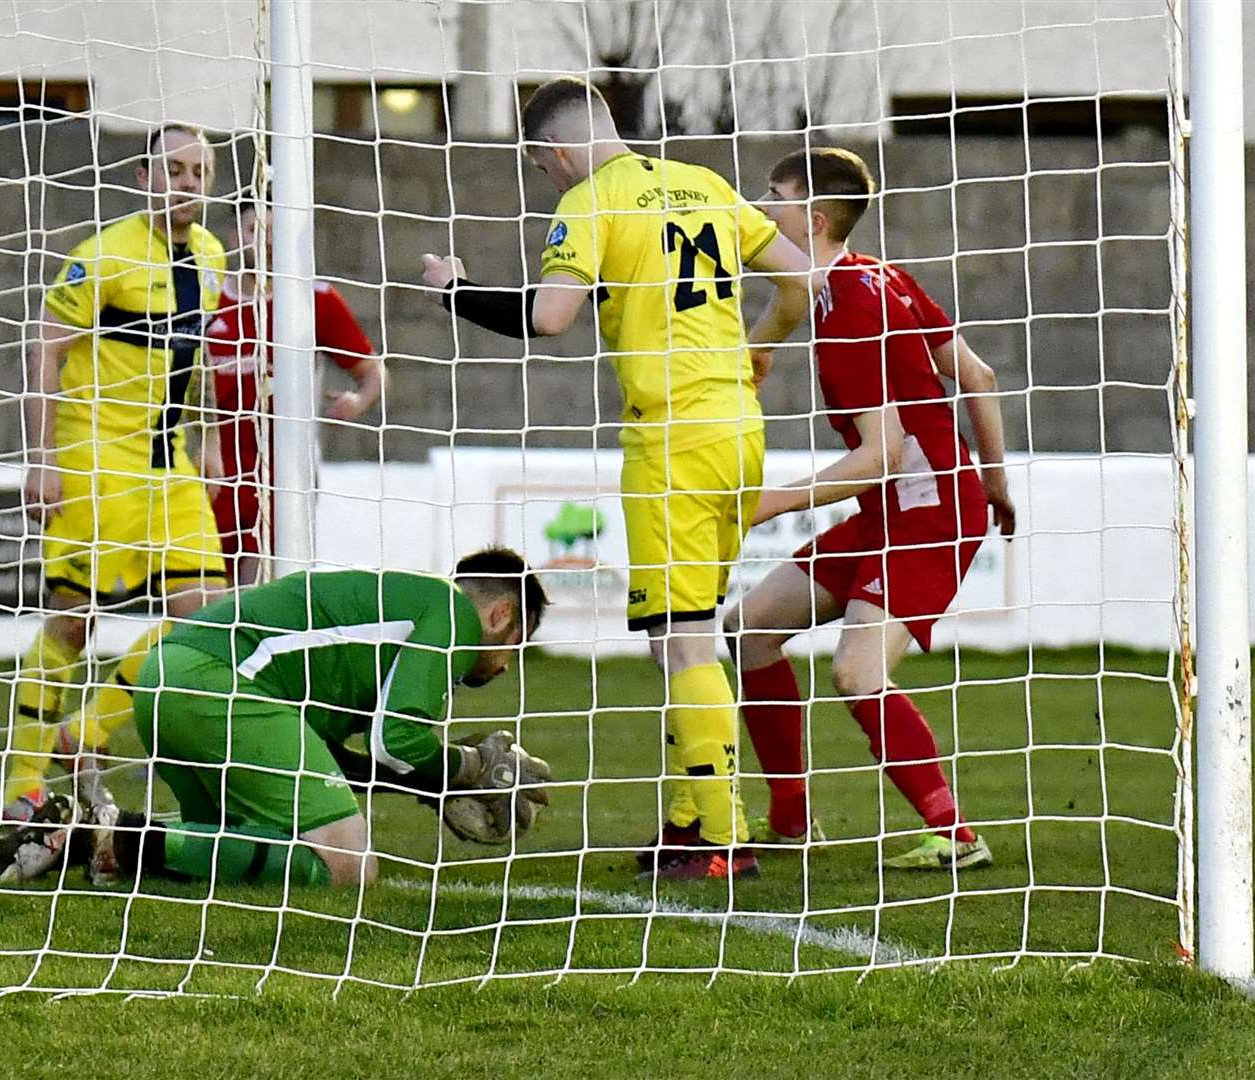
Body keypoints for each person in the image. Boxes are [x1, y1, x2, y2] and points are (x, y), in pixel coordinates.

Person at [420, 77, 814, 880]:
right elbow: (806, 274)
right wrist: (757, 347)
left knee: (685, 637)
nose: (548, 182)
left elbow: (549, 317)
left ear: (552, 152)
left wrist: (453, 291)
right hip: (739, 429)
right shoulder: (705, 184)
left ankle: (721, 836)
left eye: (541, 169)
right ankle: (687, 816)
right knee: (686, 630)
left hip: (669, 438)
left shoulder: (591, 203)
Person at [724, 148, 1017, 870]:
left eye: (773, 196)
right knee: (749, 628)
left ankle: (955, 836)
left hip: (925, 513)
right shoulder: (869, 276)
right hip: (903, 508)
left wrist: (768, 504)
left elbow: (880, 456)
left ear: (812, 220)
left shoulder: (853, 306)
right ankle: (791, 822)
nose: (759, 208)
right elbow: (977, 374)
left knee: (857, 675)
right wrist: (996, 479)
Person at [0, 549, 552, 889]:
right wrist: (467, 767)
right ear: (501, 614)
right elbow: (396, 737)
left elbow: (331, 757)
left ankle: (99, 843)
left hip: (168, 683)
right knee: (349, 866)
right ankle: (101, 834)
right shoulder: (450, 612)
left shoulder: (394, 618)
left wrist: (432, 785)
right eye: (514, 647)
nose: (504, 667)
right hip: (220, 686)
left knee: (237, 856)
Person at [4, 124, 231, 822]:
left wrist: (214, 437)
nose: (187, 182)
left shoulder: (214, 256)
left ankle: (87, 731)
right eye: (174, 169)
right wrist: (42, 458)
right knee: (76, 622)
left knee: (210, 621)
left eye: (199, 171)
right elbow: (42, 349)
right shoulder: (102, 257)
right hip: (96, 455)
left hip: (172, 465)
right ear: (143, 177)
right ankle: (23, 788)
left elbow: (198, 358)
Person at [207, 202, 386, 584]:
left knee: (258, 592)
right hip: (213, 470)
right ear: (233, 236)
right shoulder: (207, 300)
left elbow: (374, 373)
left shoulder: (312, 299)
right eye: (255, 230)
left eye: (275, 232)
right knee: (205, 597)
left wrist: (359, 399)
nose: (265, 242)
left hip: (283, 473)